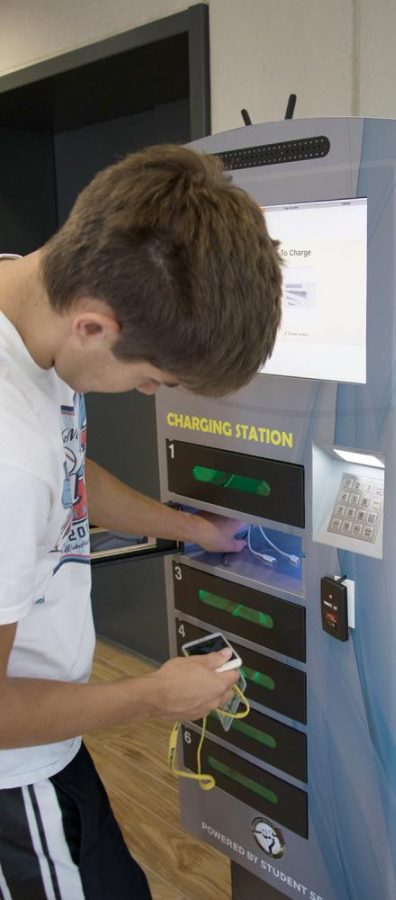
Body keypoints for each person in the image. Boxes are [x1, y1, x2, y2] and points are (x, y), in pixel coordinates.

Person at [0, 144, 282, 898]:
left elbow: (69, 472)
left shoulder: (24, 313)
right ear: (94, 326)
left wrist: (188, 528)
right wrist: (154, 696)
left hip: (49, 742)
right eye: (152, 379)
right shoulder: (6, 462)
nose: (150, 395)